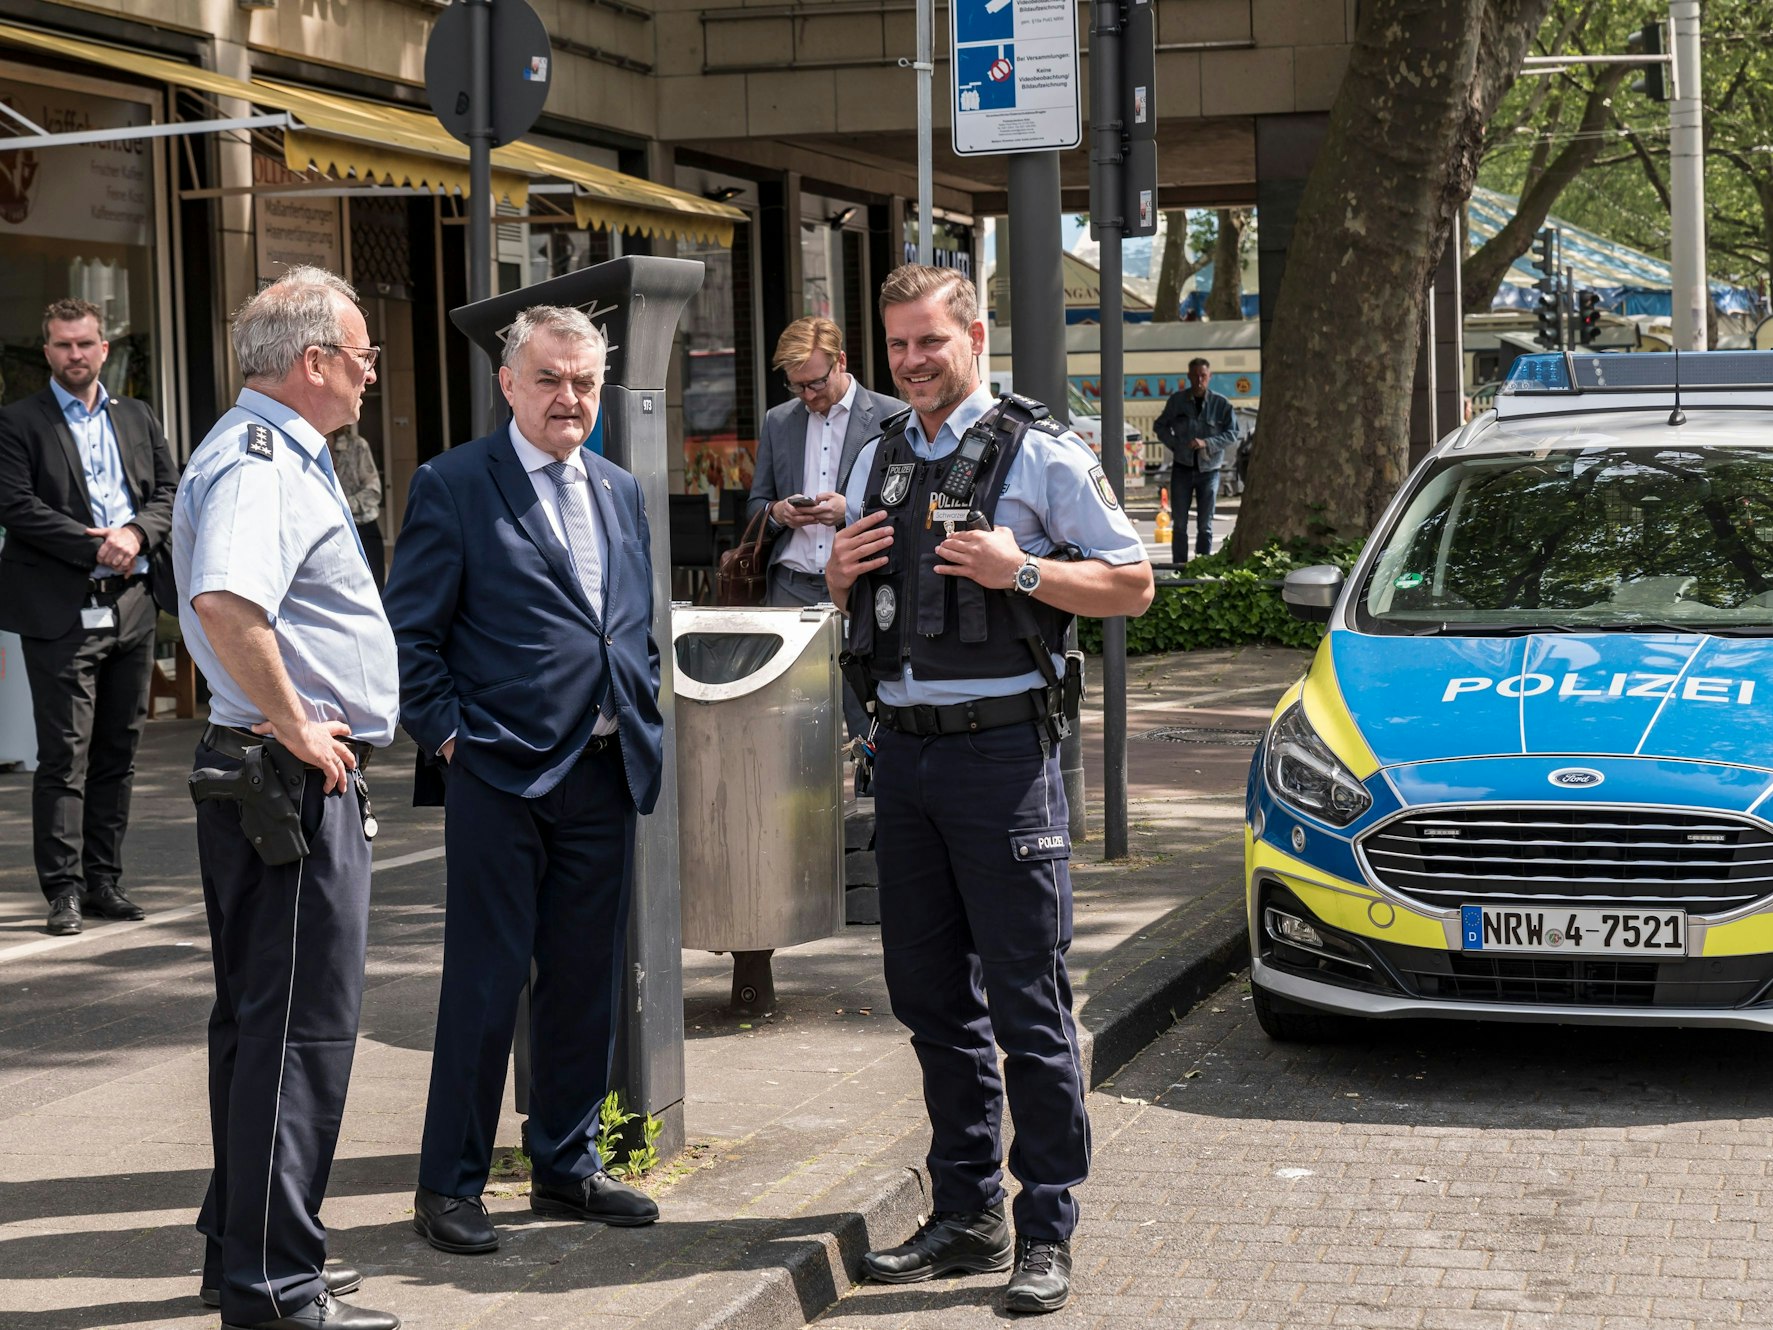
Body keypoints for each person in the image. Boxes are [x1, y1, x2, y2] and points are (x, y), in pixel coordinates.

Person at [825, 265, 1154, 1314]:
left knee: (1028, 1004)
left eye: (931, 341)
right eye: (899, 346)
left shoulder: (1041, 450)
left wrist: (1020, 571)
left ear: (974, 333)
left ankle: (1046, 1224)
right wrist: (837, 574)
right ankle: (968, 1212)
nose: (914, 362)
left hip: (1005, 762)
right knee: (930, 1002)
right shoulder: (877, 450)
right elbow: (859, 594)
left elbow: (1133, 582)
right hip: (904, 759)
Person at [384, 305, 665, 1256]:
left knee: (585, 980)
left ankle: (566, 1166)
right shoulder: (456, 484)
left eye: (583, 381)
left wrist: (643, 703)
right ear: (508, 384)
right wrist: (450, 737)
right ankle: (449, 1186)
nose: (568, 398)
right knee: (486, 982)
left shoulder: (620, 488)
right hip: (499, 772)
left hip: (602, 764)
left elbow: (627, 622)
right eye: (548, 379)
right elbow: (410, 635)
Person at [171, 266, 401, 1330]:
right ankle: (275, 1287)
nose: (368, 376)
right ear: (313, 364)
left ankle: (246, 1249)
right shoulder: (263, 461)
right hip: (287, 780)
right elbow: (227, 600)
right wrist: (304, 723)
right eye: (361, 358)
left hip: (269, 776)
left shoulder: (260, 450)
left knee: (262, 1027)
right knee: (298, 1037)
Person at [0, 298, 178, 936]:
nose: (74, 355)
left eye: (85, 343)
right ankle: (63, 891)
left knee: (118, 751)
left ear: (105, 348)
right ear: (46, 351)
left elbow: (168, 492)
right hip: (60, 610)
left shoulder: (137, 415)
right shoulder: (17, 422)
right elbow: (16, 507)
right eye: (62, 345)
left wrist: (134, 533)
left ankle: (104, 880)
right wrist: (95, 542)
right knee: (64, 755)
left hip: (130, 605)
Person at [746, 317, 903, 736]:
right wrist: (778, 513)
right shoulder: (779, 421)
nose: (808, 396)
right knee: (787, 720)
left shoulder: (893, 417)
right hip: (790, 588)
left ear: (841, 363)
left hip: (858, 587)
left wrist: (847, 511)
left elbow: (907, 512)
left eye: (815, 383)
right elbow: (755, 505)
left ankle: (875, 798)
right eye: (797, 386)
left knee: (866, 716)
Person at [1152, 357, 1237, 564]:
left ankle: (1201, 567)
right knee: (1179, 524)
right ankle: (1179, 568)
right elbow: (1160, 426)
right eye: (1196, 375)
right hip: (1182, 468)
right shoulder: (1177, 401)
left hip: (1209, 470)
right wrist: (1176, 444)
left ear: (1209, 377)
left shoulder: (1221, 404)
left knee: (1205, 525)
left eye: (1203, 376)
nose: (1199, 380)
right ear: (1189, 376)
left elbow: (1232, 433)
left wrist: (1207, 442)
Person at [327, 425, 384, 590]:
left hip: (362, 528)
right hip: (329, 531)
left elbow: (373, 491)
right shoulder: (306, 446)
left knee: (373, 588)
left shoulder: (357, 445)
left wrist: (340, 507)